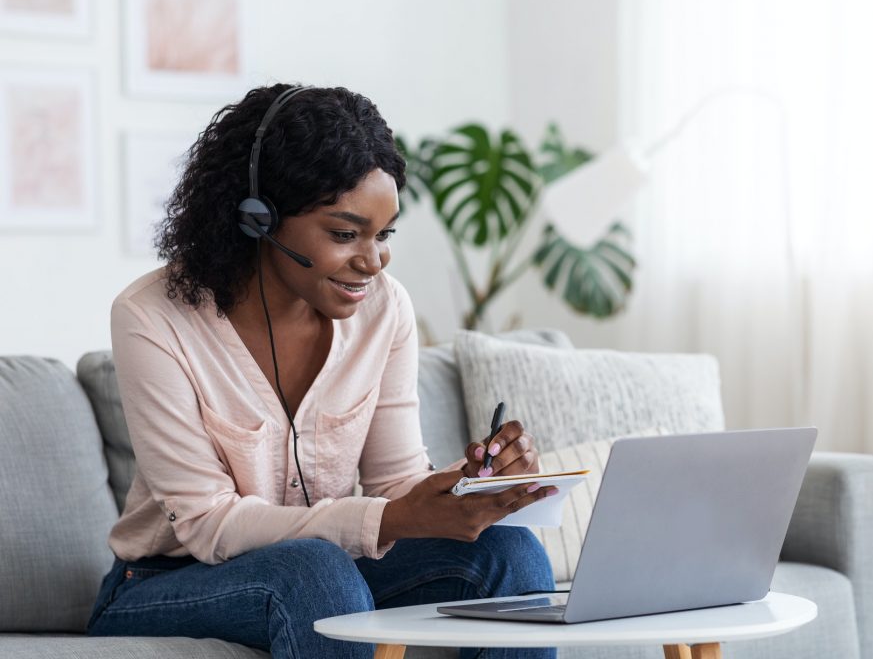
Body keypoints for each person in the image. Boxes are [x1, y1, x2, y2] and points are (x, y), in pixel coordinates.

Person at [86, 83, 557, 659]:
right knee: (312, 570)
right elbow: (209, 525)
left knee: (511, 553)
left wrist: (469, 486)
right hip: (166, 582)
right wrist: (391, 519)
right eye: (344, 234)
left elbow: (394, 486)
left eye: (383, 234)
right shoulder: (151, 318)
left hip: (331, 566)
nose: (372, 260)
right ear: (260, 219)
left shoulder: (386, 309)